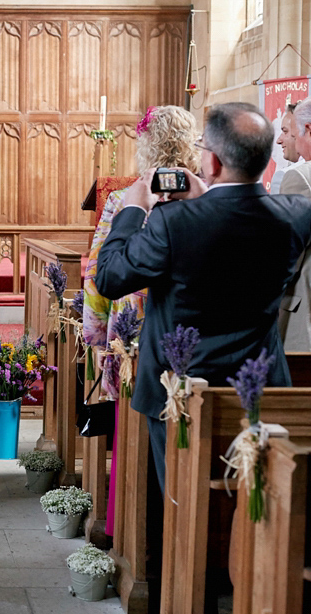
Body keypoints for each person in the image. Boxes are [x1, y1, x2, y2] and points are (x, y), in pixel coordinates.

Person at [94, 102, 311, 494]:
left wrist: (131, 210)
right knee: (253, 505)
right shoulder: (295, 214)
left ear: (209, 161)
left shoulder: (171, 222)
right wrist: (210, 192)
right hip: (257, 389)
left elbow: (109, 278)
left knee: (182, 503)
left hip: (179, 393)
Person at [83, 104, 199, 532]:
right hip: (186, 332)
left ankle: (127, 529)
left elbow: (98, 274)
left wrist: (95, 341)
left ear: (147, 144)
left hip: (131, 329)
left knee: (133, 428)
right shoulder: (205, 198)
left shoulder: (126, 198)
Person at [278, 100, 311, 350]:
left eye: (290, 132)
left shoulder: (299, 177)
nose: (282, 139)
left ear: (307, 129)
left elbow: (286, 255)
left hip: (305, 310)